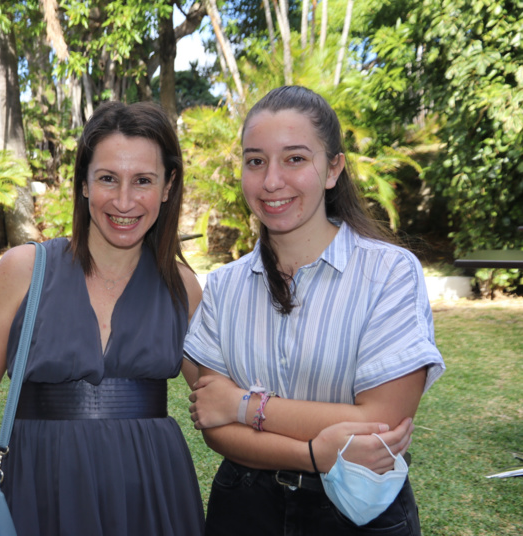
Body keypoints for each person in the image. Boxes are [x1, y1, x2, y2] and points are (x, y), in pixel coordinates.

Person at [185, 85, 445, 535]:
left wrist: (245, 406)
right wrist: (315, 452)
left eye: (295, 159)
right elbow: (212, 423)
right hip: (243, 508)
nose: (271, 181)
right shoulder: (225, 287)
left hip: (357, 510)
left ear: (332, 168)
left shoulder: (388, 272)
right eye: (255, 161)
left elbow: (380, 424)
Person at [0, 101, 205, 536]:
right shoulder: (23, 270)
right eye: (107, 178)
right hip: (41, 492)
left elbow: (219, 398)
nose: (124, 200)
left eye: (143, 180)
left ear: (167, 186)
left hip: (153, 496)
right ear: (83, 184)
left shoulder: (182, 287)